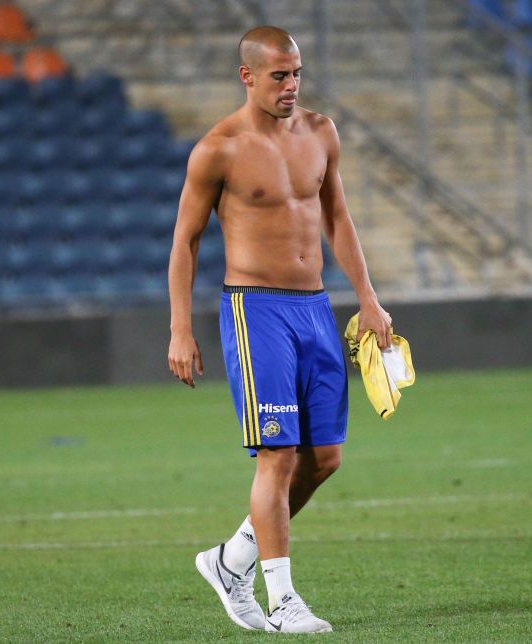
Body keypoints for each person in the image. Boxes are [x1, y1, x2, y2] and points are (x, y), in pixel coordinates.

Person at [167, 25, 392, 634]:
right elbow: (185, 242)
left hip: (315, 307)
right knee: (278, 454)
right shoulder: (218, 148)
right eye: (278, 75)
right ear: (248, 76)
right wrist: (180, 328)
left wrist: (369, 300)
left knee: (325, 458)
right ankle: (282, 600)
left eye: (296, 73)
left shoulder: (321, 132)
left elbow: (337, 217)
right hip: (255, 310)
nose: (291, 85)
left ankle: (230, 561)